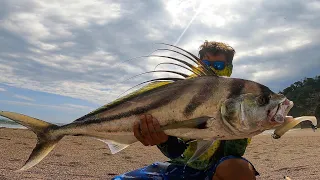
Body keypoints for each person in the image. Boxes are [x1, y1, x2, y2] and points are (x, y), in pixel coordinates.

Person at [112, 41, 259, 180]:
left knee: (238, 167)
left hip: (217, 170)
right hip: (181, 167)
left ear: (229, 68)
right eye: (206, 64)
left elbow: (234, 154)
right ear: (199, 65)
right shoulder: (179, 94)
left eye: (219, 65)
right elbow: (176, 152)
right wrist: (163, 140)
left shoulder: (241, 100)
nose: (212, 69)